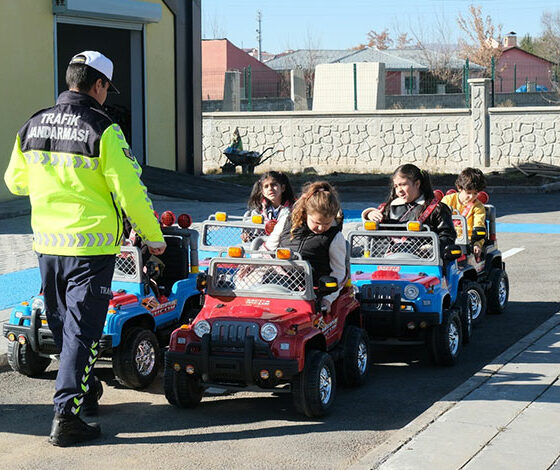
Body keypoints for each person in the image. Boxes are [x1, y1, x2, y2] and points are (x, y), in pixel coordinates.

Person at [4, 50, 166, 447]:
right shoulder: (104, 129)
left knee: (63, 325)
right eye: (107, 88)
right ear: (99, 85)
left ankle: (84, 389)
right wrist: (154, 237)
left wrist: (52, 178)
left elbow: (15, 182)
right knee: (84, 332)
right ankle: (67, 417)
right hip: (90, 247)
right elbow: (130, 192)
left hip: (46, 243)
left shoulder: (33, 124)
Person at [264, 181, 346, 313]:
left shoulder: (335, 237)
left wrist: (328, 299)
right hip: (277, 282)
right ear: (306, 212)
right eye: (316, 222)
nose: (321, 228)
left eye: (327, 223)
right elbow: (267, 250)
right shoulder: (286, 222)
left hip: (311, 292)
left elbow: (338, 273)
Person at [361, 164, 456, 253]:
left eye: (403, 185)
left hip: (425, 260)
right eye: (396, 186)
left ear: (417, 183)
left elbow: (448, 237)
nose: (399, 190)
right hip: (392, 258)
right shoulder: (391, 207)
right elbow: (379, 235)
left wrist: (430, 248)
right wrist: (369, 215)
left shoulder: (437, 209)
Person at [442, 167, 487, 261]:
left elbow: (479, 225)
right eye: (468, 193)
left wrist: (477, 244)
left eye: (475, 193)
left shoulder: (478, 207)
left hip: (467, 243)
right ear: (459, 188)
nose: (471, 197)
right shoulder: (448, 200)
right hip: (448, 239)